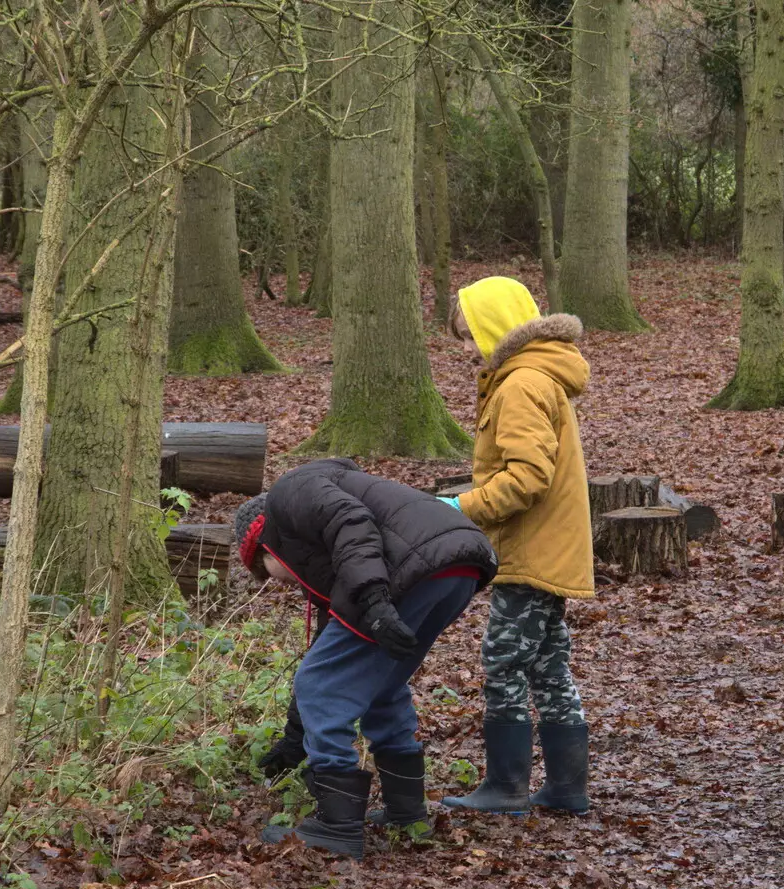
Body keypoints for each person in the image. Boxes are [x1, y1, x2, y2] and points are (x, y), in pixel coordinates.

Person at [233, 458, 497, 859]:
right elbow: (328, 652)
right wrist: (293, 738)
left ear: (262, 546)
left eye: (266, 573)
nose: (277, 583)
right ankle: (406, 812)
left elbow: (351, 520)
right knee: (381, 683)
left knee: (320, 686)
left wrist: (374, 599)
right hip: (458, 563)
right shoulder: (333, 563)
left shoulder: (289, 493)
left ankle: (337, 826)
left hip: (417, 562)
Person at [439, 276, 594, 816]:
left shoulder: (520, 384)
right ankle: (567, 790)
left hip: (531, 549)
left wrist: (460, 508)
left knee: (503, 662)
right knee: (549, 667)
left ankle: (506, 787)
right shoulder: (535, 374)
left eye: (468, 336)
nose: (465, 350)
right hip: (548, 545)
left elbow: (527, 478)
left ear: (494, 328)